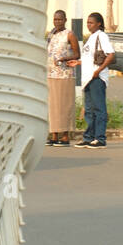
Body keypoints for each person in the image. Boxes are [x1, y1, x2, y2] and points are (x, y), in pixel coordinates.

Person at [74, 12, 115, 149]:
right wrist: (78, 62)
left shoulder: (102, 36)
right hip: (88, 79)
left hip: (97, 78)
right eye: (87, 22)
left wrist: (98, 70)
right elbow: (89, 59)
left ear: (99, 23)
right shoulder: (91, 38)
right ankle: (88, 137)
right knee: (90, 110)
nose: (88, 25)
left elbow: (110, 56)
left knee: (99, 109)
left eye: (91, 22)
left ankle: (100, 138)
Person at [45, 10, 80, 145]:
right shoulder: (51, 34)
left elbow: (77, 54)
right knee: (53, 106)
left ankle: (65, 136)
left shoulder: (69, 35)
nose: (57, 22)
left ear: (65, 20)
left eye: (60, 19)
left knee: (64, 106)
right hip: (51, 74)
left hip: (64, 75)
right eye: (55, 19)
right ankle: (54, 135)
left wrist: (65, 58)